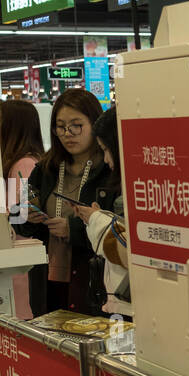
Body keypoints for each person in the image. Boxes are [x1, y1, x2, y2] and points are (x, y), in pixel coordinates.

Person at [14, 88, 113, 317]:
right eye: (61, 126)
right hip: (48, 277)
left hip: (94, 279)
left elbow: (118, 227)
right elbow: (18, 218)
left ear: (94, 124)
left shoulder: (109, 170)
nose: (68, 133)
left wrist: (74, 230)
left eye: (76, 125)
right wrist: (26, 215)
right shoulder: (45, 168)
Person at [72, 105, 131, 318]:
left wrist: (96, 220)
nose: (66, 133)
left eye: (106, 149)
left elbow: (127, 249)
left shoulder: (138, 190)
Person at [0, 99, 45, 319]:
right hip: (17, 263)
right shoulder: (16, 162)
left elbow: (26, 214)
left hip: (21, 266)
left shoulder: (24, 165)